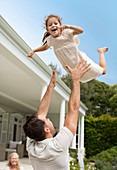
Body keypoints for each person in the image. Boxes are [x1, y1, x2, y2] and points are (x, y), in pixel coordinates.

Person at [23, 59, 91, 170]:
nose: (48, 118)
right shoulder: (57, 146)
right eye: (46, 120)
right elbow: (73, 108)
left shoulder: (32, 145)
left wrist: (50, 87)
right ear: (46, 129)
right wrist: (76, 80)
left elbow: (41, 116)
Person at [27, 14, 108, 83]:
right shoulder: (51, 39)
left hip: (80, 60)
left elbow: (81, 31)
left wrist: (68, 26)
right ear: (48, 29)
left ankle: (101, 52)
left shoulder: (67, 33)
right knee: (80, 78)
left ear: (60, 25)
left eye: (55, 23)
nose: (53, 25)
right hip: (71, 66)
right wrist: (34, 51)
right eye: (50, 25)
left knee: (103, 71)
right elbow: (45, 47)